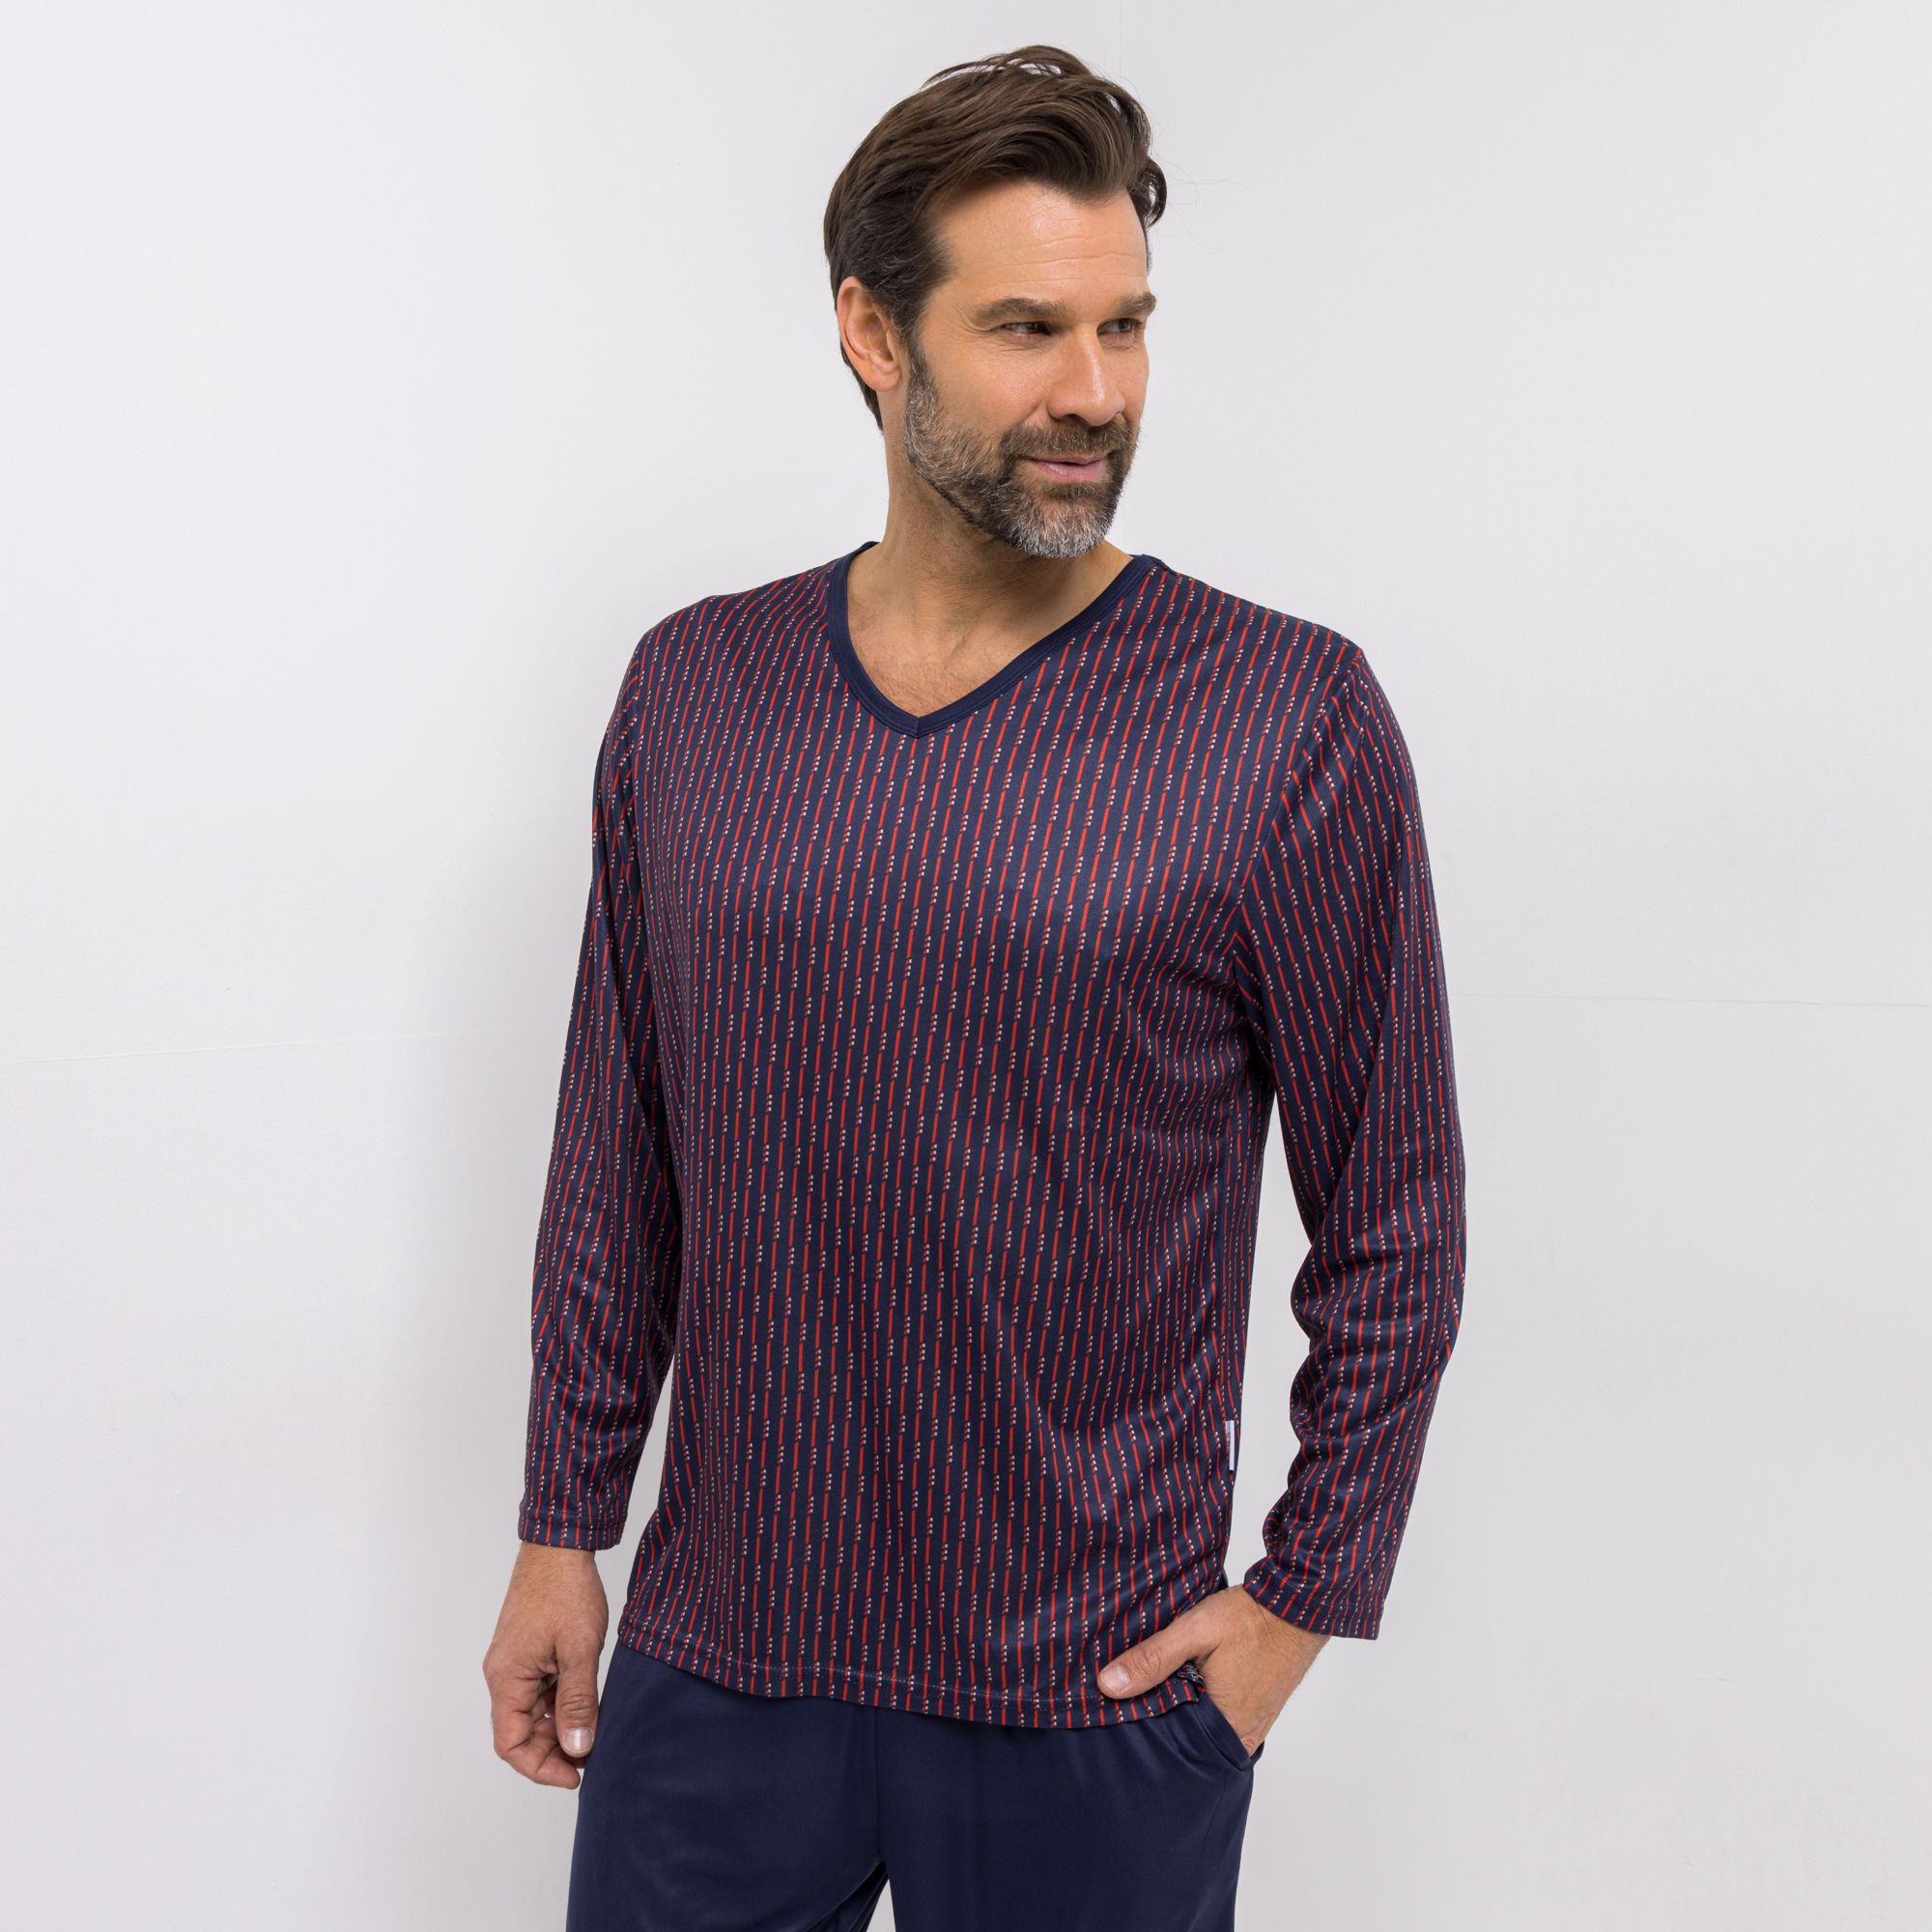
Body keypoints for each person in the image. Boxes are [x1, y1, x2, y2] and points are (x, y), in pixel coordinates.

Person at [482, 43, 1467, 1931]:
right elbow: (620, 1149)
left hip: (1094, 1692)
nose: (1093, 391)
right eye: (1026, 329)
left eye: (1125, 327)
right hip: (717, 1654)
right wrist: (558, 1526)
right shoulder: (695, 693)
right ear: (874, 332)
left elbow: (1396, 1215)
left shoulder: (1283, 718)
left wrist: (1297, 1606)